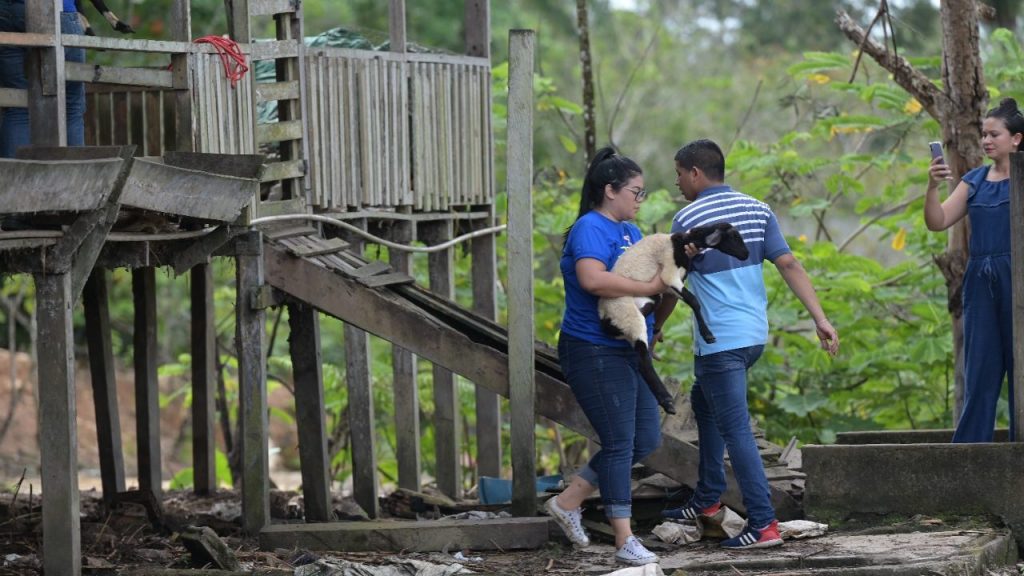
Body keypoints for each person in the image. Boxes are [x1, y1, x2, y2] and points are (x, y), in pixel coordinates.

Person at [658, 139, 839, 549]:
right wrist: (821, 319)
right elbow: (788, 263)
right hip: (752, 337)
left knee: (735, 428)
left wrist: (654, 328)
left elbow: (673, 284)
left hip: (720, 342)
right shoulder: (758, 209)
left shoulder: (687, 217)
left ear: (695, 174)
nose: (677, 183)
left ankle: (762, 523)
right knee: (704, 404)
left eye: (679, 174)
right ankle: (707, 499)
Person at [547, 146, 666, 567]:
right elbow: (593, 279)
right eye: (636, 191)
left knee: (646, 438)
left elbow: (641, 285)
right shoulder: (590, 227)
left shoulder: (631, 233)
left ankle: (568, 501)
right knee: (618, 441)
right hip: (592, 348)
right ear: (610, 190)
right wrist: (652, 288)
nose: (640, 199)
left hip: (628, 348)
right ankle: (624, 539)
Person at [924, 97, 1024, 443]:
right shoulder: (974, 180)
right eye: (984, 134)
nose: (986, 141)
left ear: (1017, 139)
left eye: (994, 134)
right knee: (979, 370)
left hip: (1019, 280)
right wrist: (933, 186)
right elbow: (937, 222)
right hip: (981, 283)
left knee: (1021, 370)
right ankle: (967, 458)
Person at [0, 0, 86, 158]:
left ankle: (10, 179)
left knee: (18, 105)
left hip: (5, 12)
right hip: (56, 11)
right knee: (70, 106)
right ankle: (74, 175)